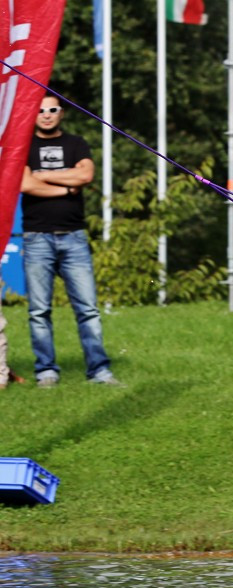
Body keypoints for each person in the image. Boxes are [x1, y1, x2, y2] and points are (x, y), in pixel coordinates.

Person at [20, 92, 118, 387]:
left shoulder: (77, 144)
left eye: (52, 109)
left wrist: (43, 176)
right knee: (39, 311)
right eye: (41, 110)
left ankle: (99, 371)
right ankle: (46, 371)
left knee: (87, 308)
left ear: (61, 113)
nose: (47, 114)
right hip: (37, 238)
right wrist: (66, 186)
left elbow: (86, 176)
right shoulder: (23, 146)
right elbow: (25, 183)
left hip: (74, 238)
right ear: (33, 114)